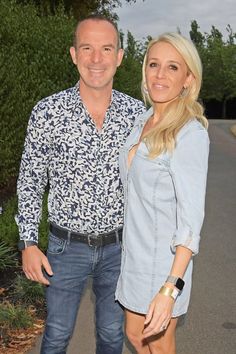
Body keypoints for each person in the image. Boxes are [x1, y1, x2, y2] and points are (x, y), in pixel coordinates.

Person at [16, 14, 145, 354]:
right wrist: (28, 243)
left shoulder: (139, 115)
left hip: (121, 250)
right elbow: (30, 180)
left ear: (119, 56)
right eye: (87, 48)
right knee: (56, 336)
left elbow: (152, 187)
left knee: (112, 336)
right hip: (64, 248)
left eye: (106, 48)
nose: (96, 59)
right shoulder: (47, 112)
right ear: (73, 54)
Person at [115, 32, 210, 354]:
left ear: (188, 79)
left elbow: (191, 219)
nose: (159, 74)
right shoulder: (143, 120)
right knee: (135, 333)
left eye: (172, 67)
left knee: (158, 341)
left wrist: (171, 286)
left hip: (164, 262)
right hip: (134, 255)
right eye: (154, 64)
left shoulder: (190, 134)